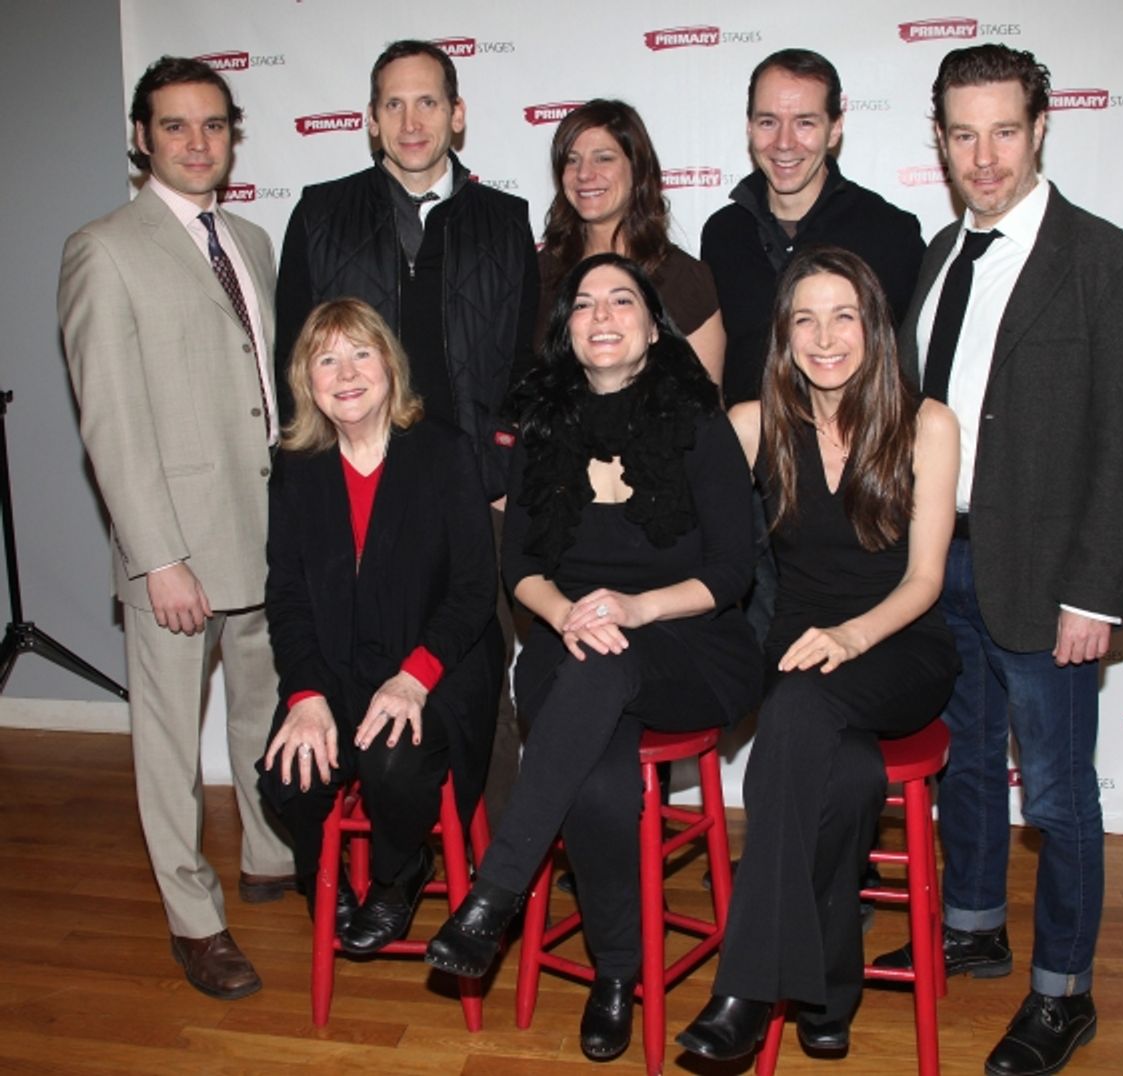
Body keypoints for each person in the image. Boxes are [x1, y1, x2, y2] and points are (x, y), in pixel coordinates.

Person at [873, 45, 1123, 1076]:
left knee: (1058, 795)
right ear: (941, 140)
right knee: (963, 766)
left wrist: (1097, 593)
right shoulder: (937, 254)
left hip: (1047, 580)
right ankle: (974, 929)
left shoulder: (1107, 261)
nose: (984, 156)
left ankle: (1063, 993)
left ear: (1040, 128)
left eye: (1004, 131)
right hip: (939, 566)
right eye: (964, 134)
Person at [425, 253, 761, 1062]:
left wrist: (638, 608)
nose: (601, 316)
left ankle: (494, 894)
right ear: (566, 328)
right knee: (600, 781)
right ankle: (617, 973)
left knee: (607, 665)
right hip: (569, 638)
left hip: (688, 641)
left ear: (654, 326)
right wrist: (567, 615)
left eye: (622, 301)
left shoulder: (699, 422)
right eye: (583, 303)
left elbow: (732, 572)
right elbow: (520, 567)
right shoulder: (542, 426)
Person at [676, 246, 961, 1061]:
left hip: (899, 648)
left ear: (874, 326)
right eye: (806, 319)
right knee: (845, 775)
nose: (825, 337)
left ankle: (744, 988)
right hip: (798, 645)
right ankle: (829, 989)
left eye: (844, 317)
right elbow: (682, 519)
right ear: (784, 334)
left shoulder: (927, 423)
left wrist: (852, 636)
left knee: (800, 707)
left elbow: (926, 580)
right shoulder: (752, 424)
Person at [57, 56, 294, 1000]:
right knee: (168, 746)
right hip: (178, 550)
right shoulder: (103, 249)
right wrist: (158, 557)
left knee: (263, 712)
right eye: (175, 126)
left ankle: (271, 855)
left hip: (266, 532)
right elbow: (110, 423)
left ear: (233, 135)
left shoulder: (253, 240)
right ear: (141, 137)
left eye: (213, 124)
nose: (198, 143)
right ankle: (194, 921)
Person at [274, 38, 539, 827]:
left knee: (479, 673)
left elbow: (528, 364)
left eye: (428, 101)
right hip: (357, 482)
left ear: (457, 115)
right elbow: (296, 357)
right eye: (394, 103)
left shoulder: (504, 220)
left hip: (472, 492)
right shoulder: (321, 214)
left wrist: (501, 469)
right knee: (355, 661)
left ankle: (495, 863)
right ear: (370, 119)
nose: (411, 119)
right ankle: (394, 846)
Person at [258, 299, 502, 955]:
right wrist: (305, 694)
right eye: (326, 359)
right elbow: (286, 597)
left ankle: (399, 873)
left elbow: (475, 589)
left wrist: (414, 677)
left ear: (390, 365)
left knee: (391, 759)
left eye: (361, 353)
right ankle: (322, 878)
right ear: (306, 381)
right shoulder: (296, 467)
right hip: (336, 664)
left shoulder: (444, 451)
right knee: (289, 773)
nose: (346, 373)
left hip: (439, 664)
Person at [703, 48, 926, 406]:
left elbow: (908, 369)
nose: (784, 143)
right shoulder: (722, 234)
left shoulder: (891, 233)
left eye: (804, 122)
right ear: (749, 127)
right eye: (768, 122)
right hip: (747, 440)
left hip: (858, 441)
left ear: (835, 129)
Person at [536, 99, 725, 385]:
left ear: (637, 169)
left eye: (603, 158)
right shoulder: (538, 276)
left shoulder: (685, 280)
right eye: (571, 160)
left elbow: (708, 404)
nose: (584, 174)